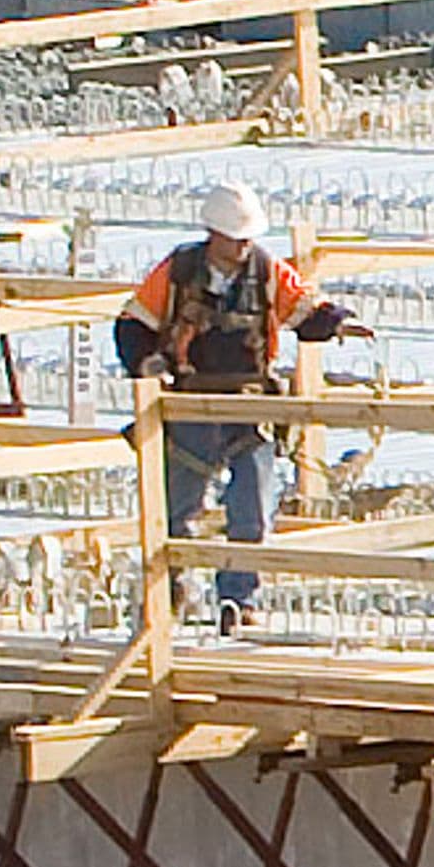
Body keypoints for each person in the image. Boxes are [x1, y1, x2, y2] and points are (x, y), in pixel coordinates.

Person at [114, 180, 354, 629]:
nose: (244, 245)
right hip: (191, 403)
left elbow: (305, 309)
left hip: (250, 406)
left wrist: (336, 322)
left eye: (248, 237)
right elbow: (133, 325)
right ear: (214, 234)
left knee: (252, 509)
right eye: (236, 237)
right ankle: (170, 593)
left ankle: (239, 599)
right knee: (177, 509)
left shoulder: (265, 270)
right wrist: (146, 364)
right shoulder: (178, 272)